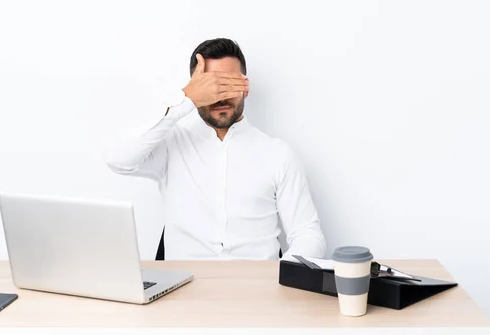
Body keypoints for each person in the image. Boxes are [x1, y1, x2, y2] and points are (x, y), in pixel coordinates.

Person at [105, 38, 326, 260]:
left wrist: (278, 277)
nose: (219, 96)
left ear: (245, 88)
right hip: (183, 288)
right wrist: (185, 99)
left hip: (256, 289)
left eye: (228, 84)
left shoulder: (278, 155)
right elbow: (118, 160)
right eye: (210, 87)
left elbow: (307, 234)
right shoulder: (170, 145)